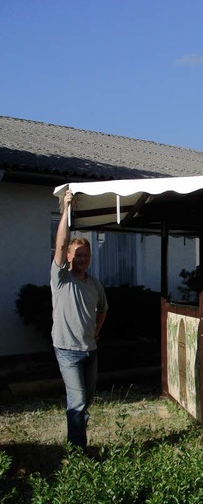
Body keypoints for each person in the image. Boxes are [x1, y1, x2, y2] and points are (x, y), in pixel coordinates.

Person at [51, 190, 108, 451]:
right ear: (69, 257)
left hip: (90, 351)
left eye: (86, 255)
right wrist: (66, 209)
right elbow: (61, 243)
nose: (82, 259)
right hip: (67, 351)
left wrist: (95, 332)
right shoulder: (61, 278)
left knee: (87, 402)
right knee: (77, 401)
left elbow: (103, 309)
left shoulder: (94, 284)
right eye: (77, 255)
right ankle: (78, 454)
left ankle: (76, 441)